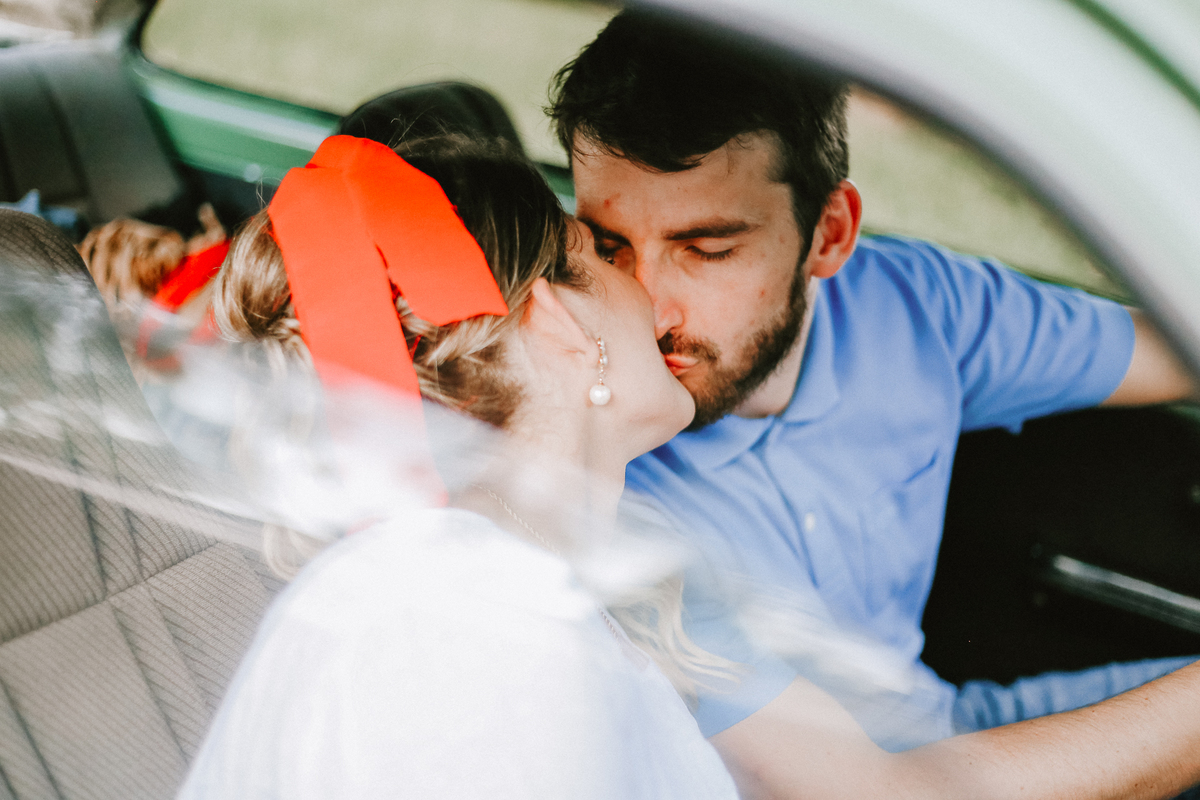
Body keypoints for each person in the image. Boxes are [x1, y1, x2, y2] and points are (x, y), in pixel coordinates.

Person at [548, 9, 1200, 799]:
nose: (648, 307)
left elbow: (1175, 342)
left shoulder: (916, 306)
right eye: (610, 246)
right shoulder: (603, 473)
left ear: (829, 234)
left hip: (954, 729)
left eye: (707, 248)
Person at [175, 133, 739, 799]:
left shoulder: (480, 591)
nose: (651, 294)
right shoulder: (473, 646)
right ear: (558, 319)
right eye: (605, 255)